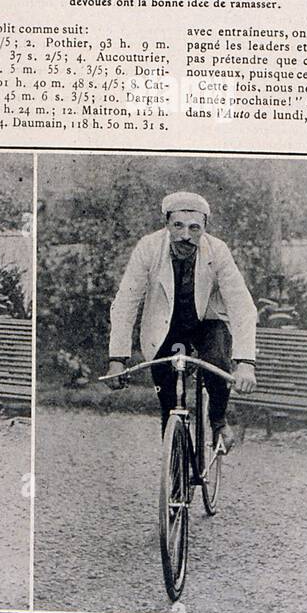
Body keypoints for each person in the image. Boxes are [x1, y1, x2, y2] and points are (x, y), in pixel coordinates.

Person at [107, 191, 257, 451]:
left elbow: (241, 305)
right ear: (167, 224)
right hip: (166, 325)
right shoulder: (149, 247)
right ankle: (173, 455)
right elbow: (126, 302)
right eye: (178, 225)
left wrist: (245, 364)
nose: (185, 235)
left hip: (206, 322)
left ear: (204, 229)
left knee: (216, 362)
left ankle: (219, 422)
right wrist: (117, 359)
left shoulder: (217, 250)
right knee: (167, 394)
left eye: (194, 228)